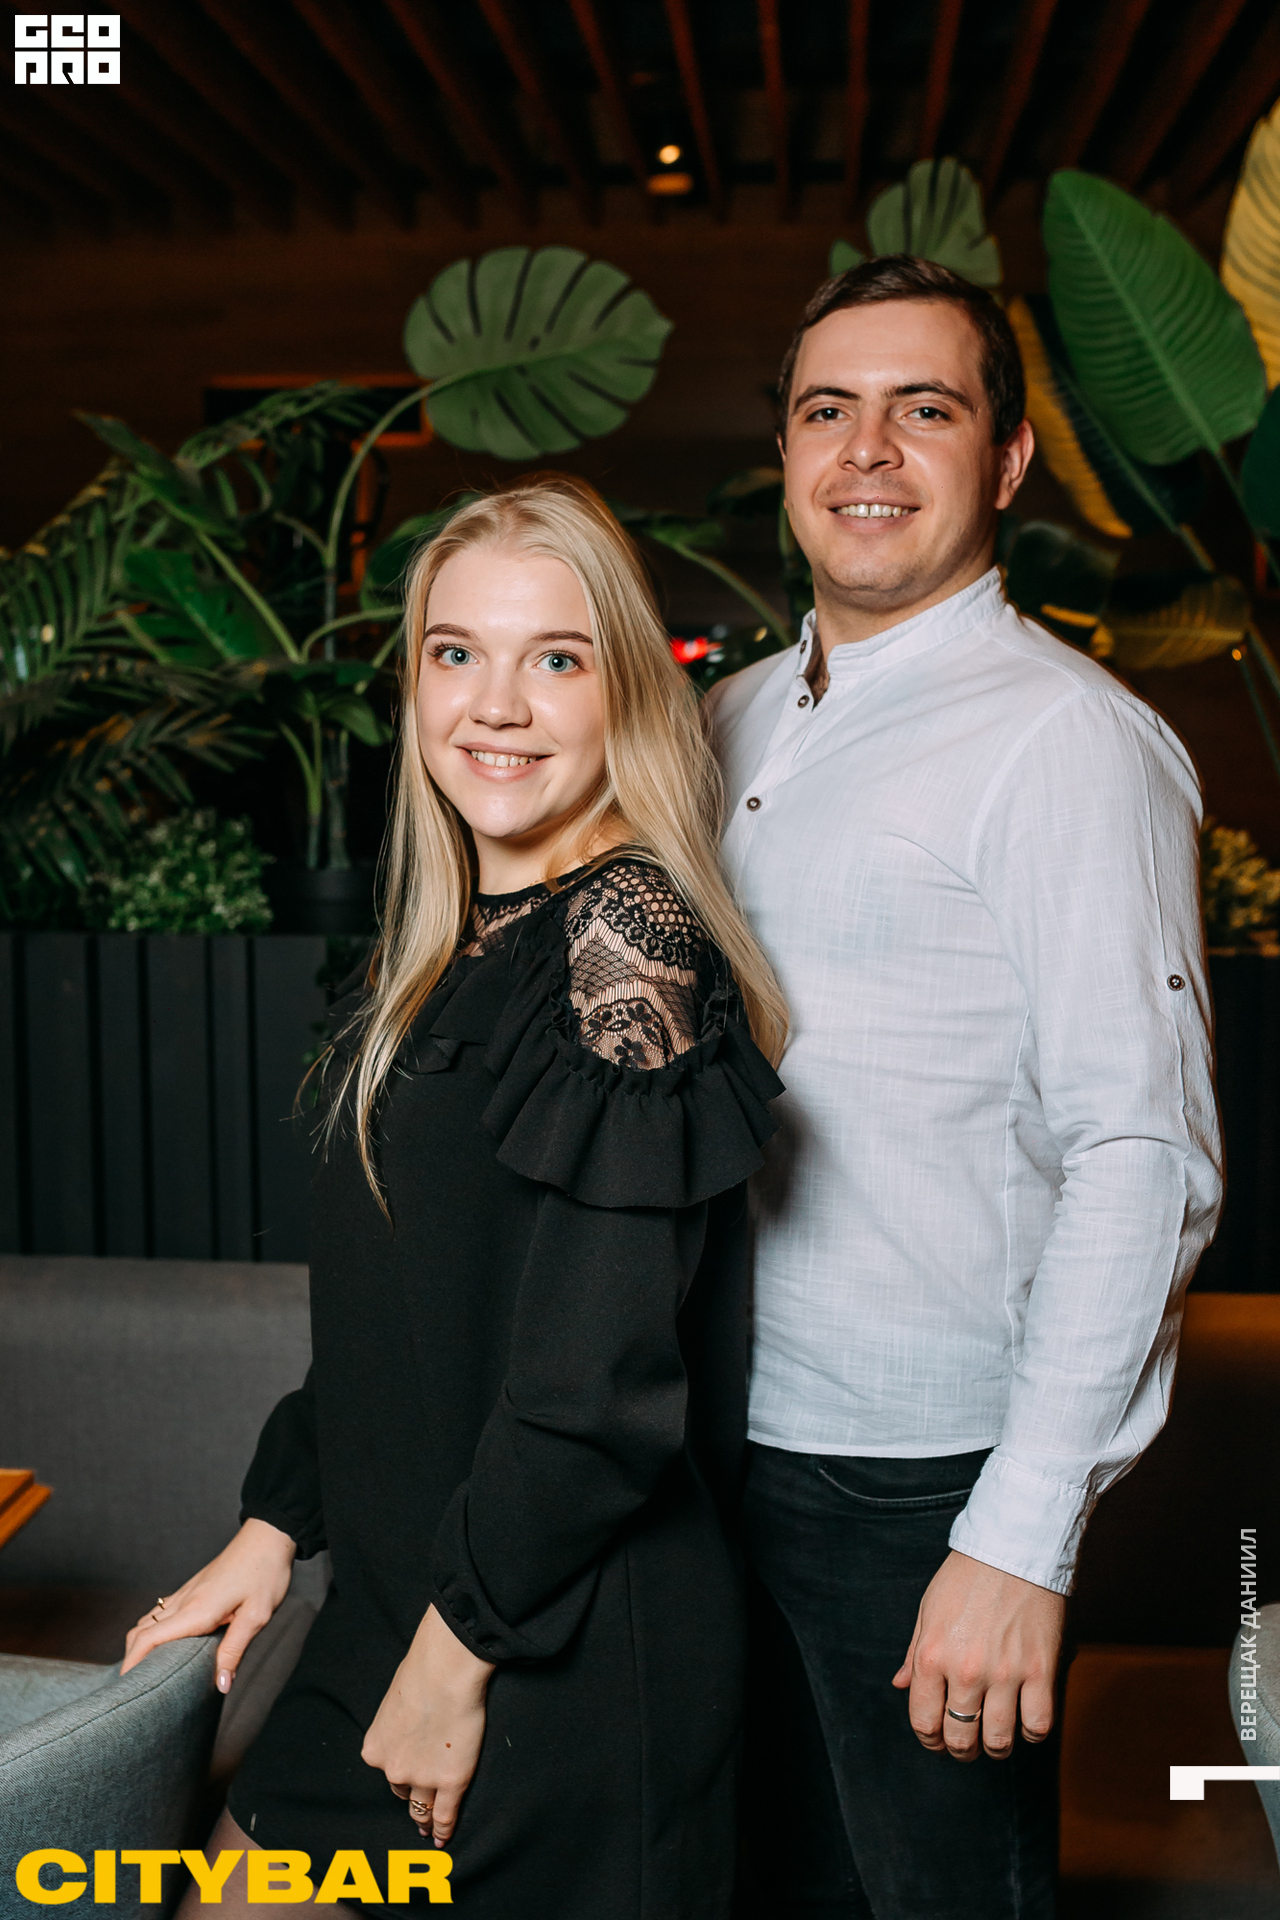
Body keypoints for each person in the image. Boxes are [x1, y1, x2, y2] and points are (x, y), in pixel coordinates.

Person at [121, 474, 786, 1918]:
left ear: (626, 692)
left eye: (557, 659)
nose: (496, 704)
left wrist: (455, 1655)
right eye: (455, 652)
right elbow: (406, 1318)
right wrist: (273, 1525)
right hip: (396, 1604)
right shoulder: (443, 948)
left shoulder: (630, 936)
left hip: (549, 1651)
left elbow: (597, 1389)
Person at [708, 256, 1223, 1919]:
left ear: (1004, 462)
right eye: (828, 410)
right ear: (787, 452)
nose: (867, 448)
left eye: (922, 409)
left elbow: (1143, 1152)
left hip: (916, 1478)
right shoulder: (721, 720)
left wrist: (1017, 1537)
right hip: (707, 1438)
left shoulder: (1067, 741)